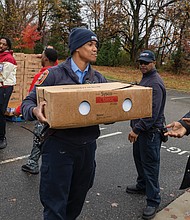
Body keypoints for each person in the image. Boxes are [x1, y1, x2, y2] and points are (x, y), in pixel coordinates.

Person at [21, 27, 107, 220]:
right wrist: (35, 111)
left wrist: (110, 114)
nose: (95, 49)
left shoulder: (98, 79)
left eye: (96, 45)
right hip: (59, 147)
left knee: (76, 202)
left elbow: (110, 108)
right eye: (90, 44)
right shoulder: (54, 75)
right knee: (54, 206)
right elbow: (27, 103)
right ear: (77, 47)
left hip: (87, 149)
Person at [126, 50, 167, 220]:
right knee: (140, 160)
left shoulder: (155, 83)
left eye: (146, 62)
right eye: (141, 62)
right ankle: (142, 185)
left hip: (149, 133)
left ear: (154, 63)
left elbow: (152, 112)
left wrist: (137, 129)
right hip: (142, 132)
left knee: (150, 167)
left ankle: (153, 201)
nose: (143, 65)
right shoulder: (146, 79)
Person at [14, 48, 58, 174]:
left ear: (45, 59)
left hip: (42, 113)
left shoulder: (42, 75)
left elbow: (31, 97)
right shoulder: (59, 73)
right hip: (57, 115)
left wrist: (18, 110)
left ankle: (32, 164)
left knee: (39, 138)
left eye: (42, 56)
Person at [0, 37, 17, 149]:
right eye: (0, 43)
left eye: (3, 44)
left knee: (1, 111)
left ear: (8, 46)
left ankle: (2, 138)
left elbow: (2, 75)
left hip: (4, 87)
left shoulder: (8, 59)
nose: (1, 46)